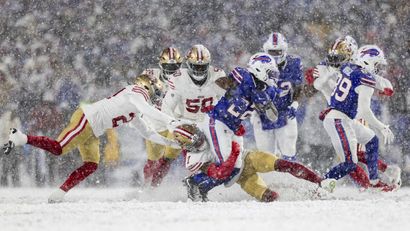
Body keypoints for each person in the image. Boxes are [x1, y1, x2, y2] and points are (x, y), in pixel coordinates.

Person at [3, 74, 180, 202]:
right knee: (59, 148)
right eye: (155, 92)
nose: (155, 97)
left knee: (91, 164)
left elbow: (148, 133)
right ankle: (21, 137)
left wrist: (171, 142)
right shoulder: (135, 92)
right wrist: (172, 121)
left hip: (93, 130)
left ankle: (60, 192)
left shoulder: (134, 110)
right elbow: (149, 110)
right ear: (147, 86)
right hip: (86, 119)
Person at [304, 37, 401, 189]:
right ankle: (322, 184)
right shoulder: (346, 69)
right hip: (338, 116)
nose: (336, 61)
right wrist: (381, 126)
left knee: (370, 141)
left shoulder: (348, 68)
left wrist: (385, 86)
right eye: (376, 64)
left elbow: (375, 79)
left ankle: (374, 181)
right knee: (350, 160)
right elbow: (364, 106)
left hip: (345, 115)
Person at [173, 124, 336, 202]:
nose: (201, 141)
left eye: (199, 136)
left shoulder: (208, 127)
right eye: (194, 142)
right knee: (270, 197)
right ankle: (301, 194)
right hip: (238, 178)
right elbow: (221, 173)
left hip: (247, 159)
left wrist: (235, 129)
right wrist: (234, 152)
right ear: (185, 147)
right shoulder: (193, 160)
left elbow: (232, 125)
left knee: (284, 165)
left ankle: (320, 182)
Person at [146, 44, 227, 186]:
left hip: (209, 122)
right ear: (188, 64)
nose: (199, 70)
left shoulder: (217, 75)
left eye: (203, 67)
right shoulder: (179, 79)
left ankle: (216, 181)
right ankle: (154, 185)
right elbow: (167, 106)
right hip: (186, 123)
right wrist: (175, 127)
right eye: (196, 66)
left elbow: (227, 100)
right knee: (174, 155)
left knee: (223, 153)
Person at [252, 32, 303, 161]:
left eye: (278, 51)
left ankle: (289, 179)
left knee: (289, 153)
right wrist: (258, 107)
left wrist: (295, 104)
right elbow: (250, 90)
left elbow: (298, 87)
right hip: (262, 113)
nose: (274, 55)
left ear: (284, 50)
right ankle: (273, 180)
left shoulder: (293, 63)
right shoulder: (257, 64)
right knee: (266, 158)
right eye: (271, 52)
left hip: (285, 111)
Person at [140, 47, 184, 186]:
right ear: (161, 65)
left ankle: (154, 185)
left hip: (175, 122)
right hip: (155, 123)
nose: (171, 70)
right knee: (152, 160)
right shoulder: (150, 75)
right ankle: (147, 185)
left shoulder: (185, 78)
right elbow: (138, 95)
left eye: (175, 66)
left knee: (169, 157)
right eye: (168, 66)